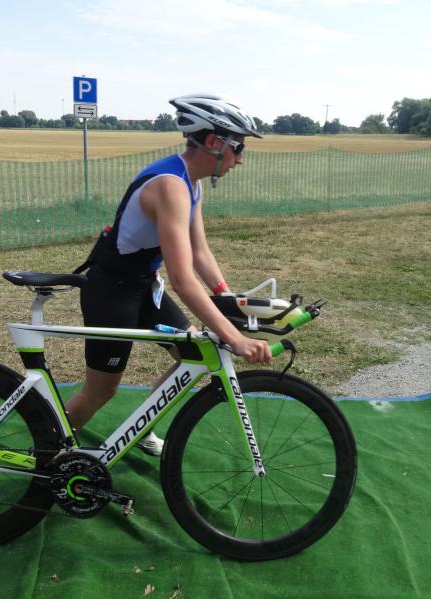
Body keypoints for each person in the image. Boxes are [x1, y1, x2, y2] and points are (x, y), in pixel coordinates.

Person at [66, 93, 271, 455]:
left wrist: (225, 296)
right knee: (101, 391)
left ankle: (140, 427)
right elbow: (183, 279)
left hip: (144, 287)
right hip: (111, 292)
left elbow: (200, 252)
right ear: (214, 142)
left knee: (195, 356)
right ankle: (46, 445)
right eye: (239, 147)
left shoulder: (191, 182)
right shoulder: (170, 186)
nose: (240, 159)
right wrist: (234, 337)